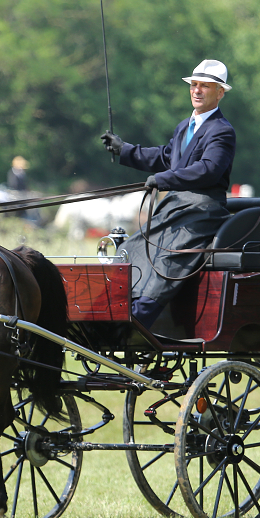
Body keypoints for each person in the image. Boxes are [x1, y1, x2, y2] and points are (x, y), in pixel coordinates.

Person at [99, 59, 236, 328]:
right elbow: (166, 157)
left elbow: (208, 170)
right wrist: (124, 149)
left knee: (165, 262)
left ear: (220, 93)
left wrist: (164, 179)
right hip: (174, 208)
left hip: (202, 212)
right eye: (194, 85)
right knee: (129, 250)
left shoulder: (222, 131)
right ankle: (111, 312)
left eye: (205, 86)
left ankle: (138, 320)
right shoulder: (185, 126)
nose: (197, 90)